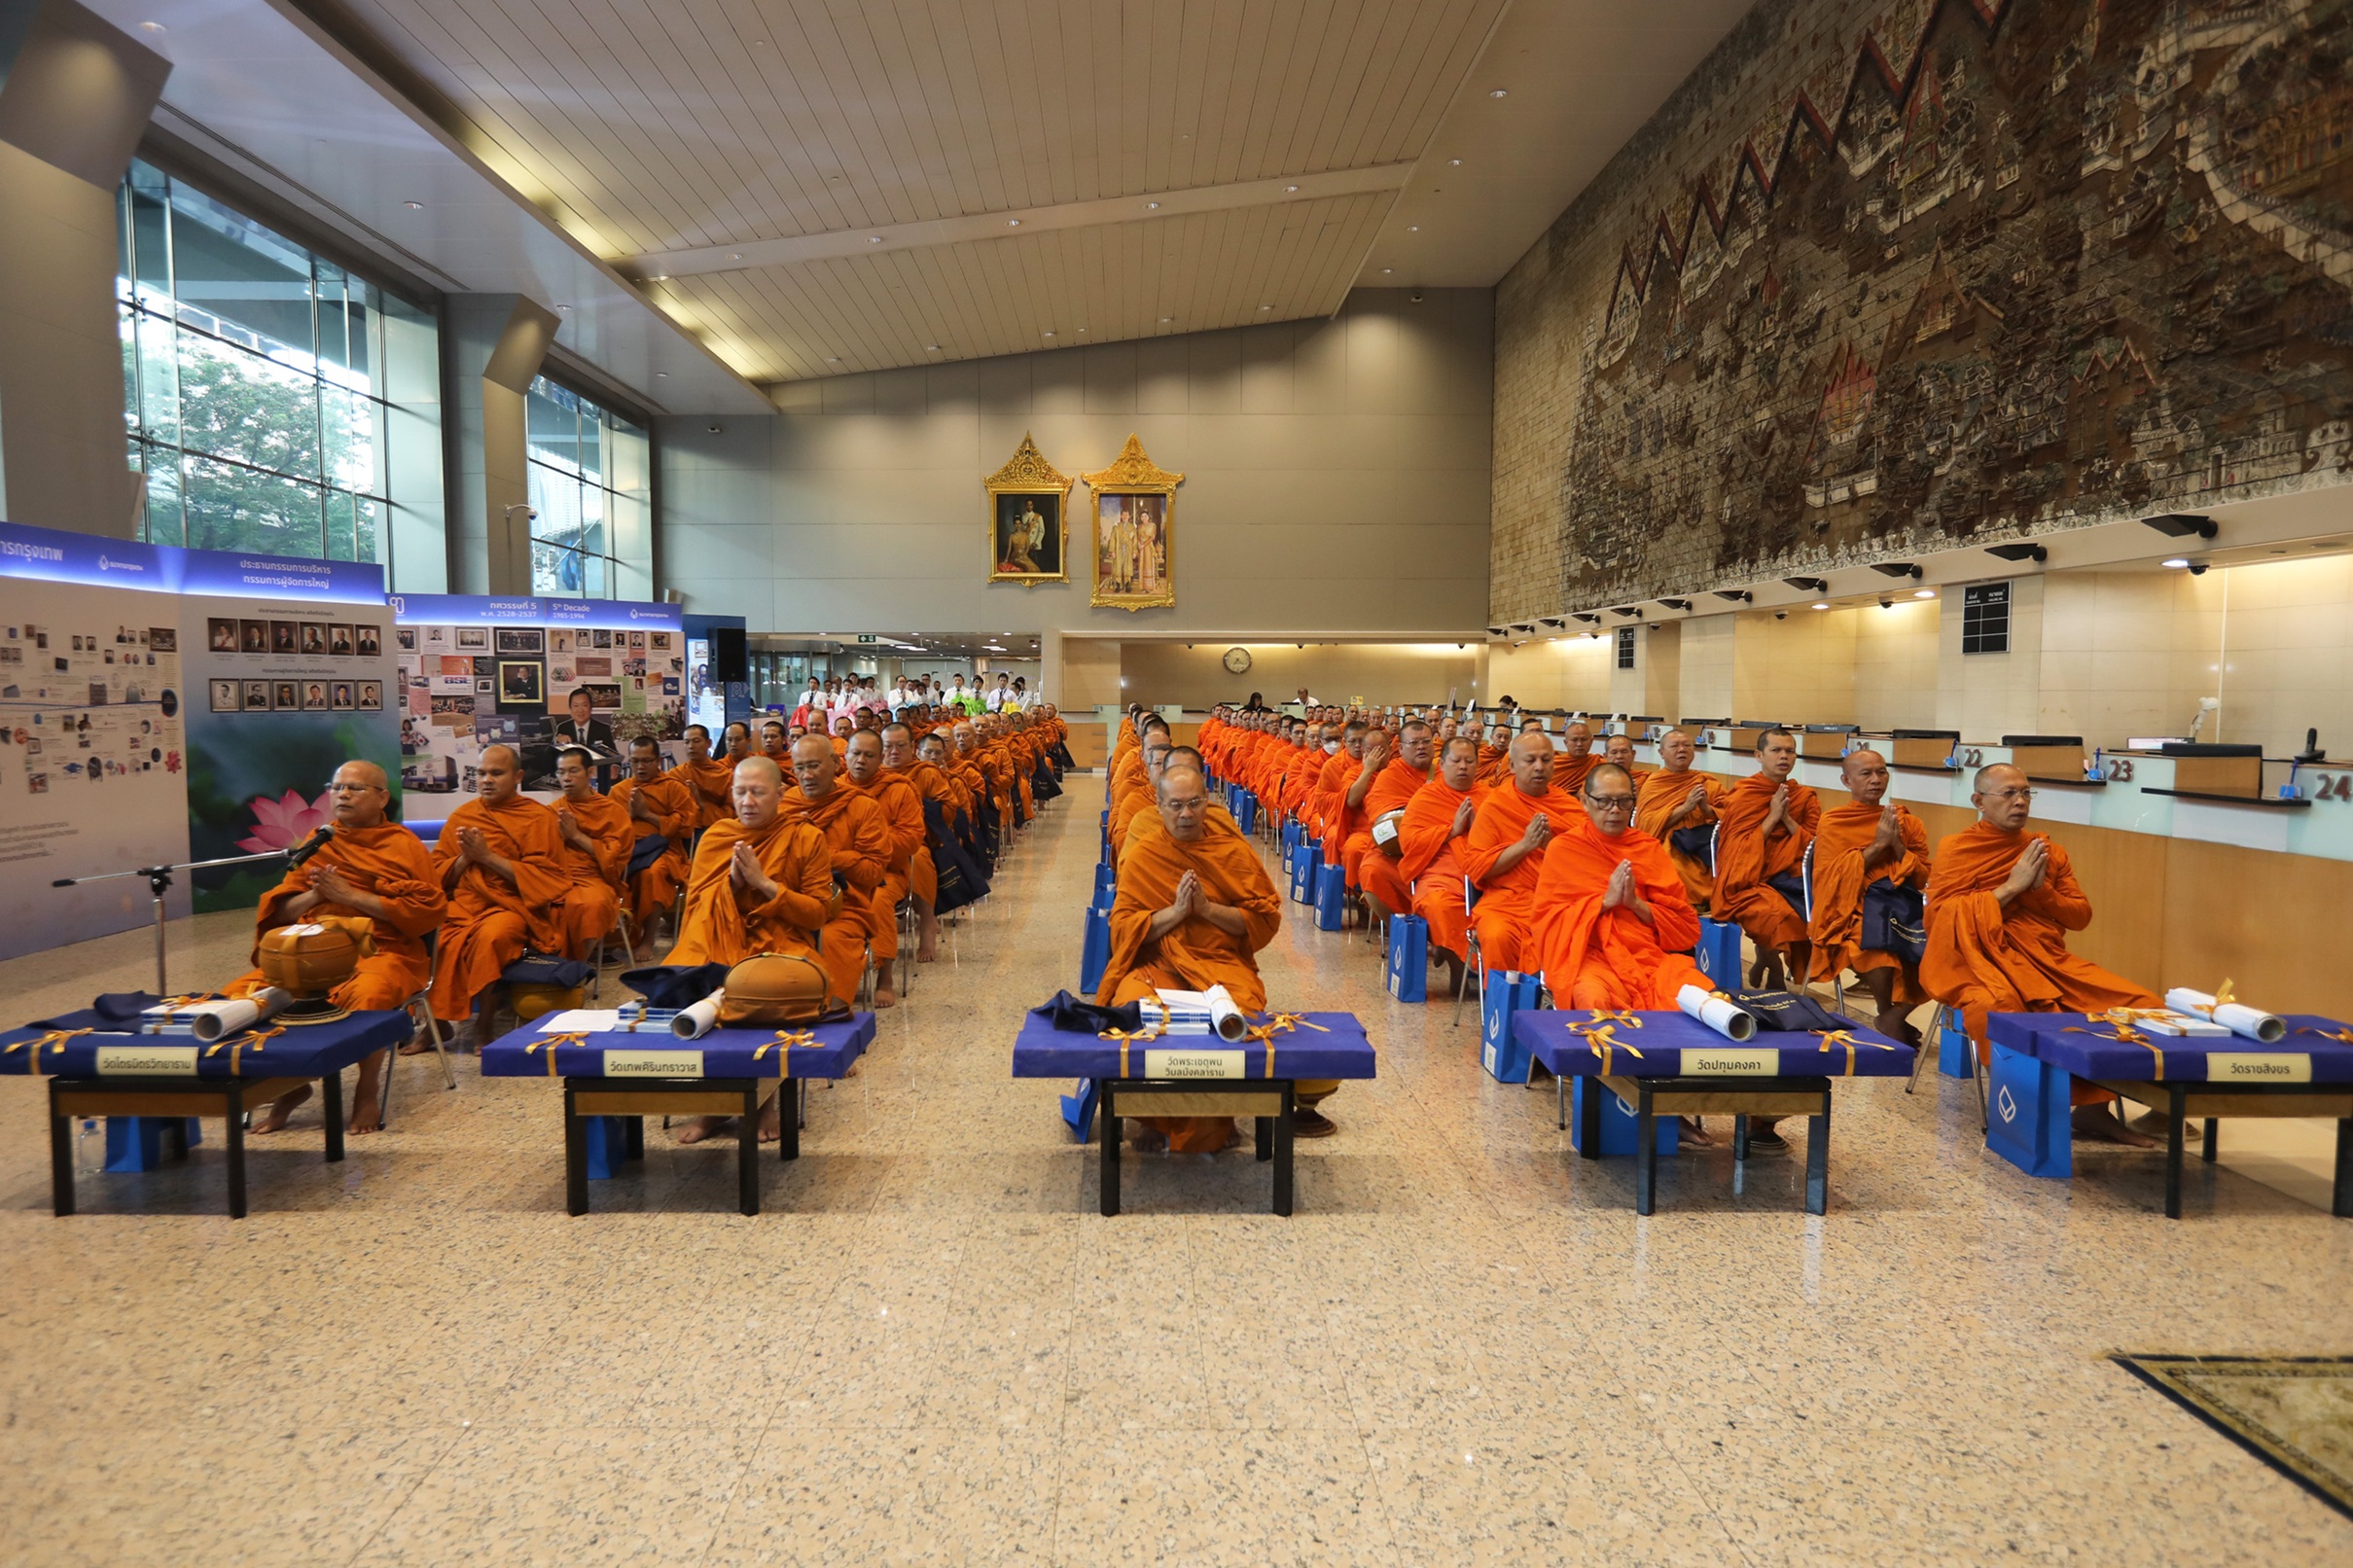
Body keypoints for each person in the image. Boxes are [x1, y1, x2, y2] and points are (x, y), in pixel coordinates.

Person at [1097, 764, 1337, 1148]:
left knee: (1240, 1016)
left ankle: (1221, 1113)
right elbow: (1122, 929)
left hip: (1221, 964)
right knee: (1135, 1010)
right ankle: (1153, 1117)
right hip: (1159, 966)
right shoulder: (1144, 855)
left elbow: (1263, 919)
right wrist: (1177, 912)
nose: (1186, 813)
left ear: (1208, 801)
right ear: (1159, 806)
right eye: (1176, 805)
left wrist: (1207, 910)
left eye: (1194, 803)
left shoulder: (1230, 852)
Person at [1923, 764, 2159, 1146]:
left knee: (2139, 1002)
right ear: (1979, 801)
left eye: (2026, 792)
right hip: (1973, 959)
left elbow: (2080, 917)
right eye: (2009, 794)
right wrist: (2010, 888)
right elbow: (1940, 919)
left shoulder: (2046, 851)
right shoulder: (1957, 848)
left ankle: (2094, 1111)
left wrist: (2039, 890)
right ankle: (2021, 1110)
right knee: (1996, 1007)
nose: (2020, 801)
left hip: (2044, 960)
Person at [228, 762, 446, 1135]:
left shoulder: (404, 845)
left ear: (382, 798)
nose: (342, 794)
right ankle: (289, 1084)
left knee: (370, 994)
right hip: (311, 949)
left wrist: (351, 897)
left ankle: (366, 1087)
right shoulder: (320, 840)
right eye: (337, 786)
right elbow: (282, 912)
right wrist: (316, 895)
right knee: (243, 997)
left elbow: (426, 912)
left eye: (355, 788)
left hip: (381, 950)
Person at [667, 754, 839, 1145]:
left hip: (781, 944)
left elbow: (817, 914)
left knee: (760, 991)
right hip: (716, 937)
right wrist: (730, 885)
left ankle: (764, 1100)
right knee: (687, 983)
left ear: (780, 794)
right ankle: (714, 1103)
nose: (747, 801)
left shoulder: (805, 836)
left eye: (758, 792)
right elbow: (695, 909)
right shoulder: (717, 836)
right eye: (740, 792)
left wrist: (765, 885)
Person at [1530, 761, 1712, 1009]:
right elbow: (1548, 922)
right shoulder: (1564, 849)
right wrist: (1604, 903)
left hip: (1646, 958)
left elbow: (1684, 927)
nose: (1615, 810)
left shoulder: (1647, 849)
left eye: (1624, 801)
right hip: (1588, 958)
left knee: (1702, 999)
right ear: (1584, 802)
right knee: (1593, 998)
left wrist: (1635, 904)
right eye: (1604, 801)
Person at [427, 745, 569, 1041]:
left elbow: (547, 878)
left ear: (518, 776)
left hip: (514, 906)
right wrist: (466, 858)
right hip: (465, 903)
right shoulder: (463, 815)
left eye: (496, 773)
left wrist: (487, 857)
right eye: (481, 773)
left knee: (491, 937)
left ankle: (485, 1021)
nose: (486, 780)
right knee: (432, 934)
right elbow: (436, 874)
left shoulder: (537, 817)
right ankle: (435, 1023)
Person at [1806, 749, 1931, 1045]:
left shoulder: (1907, 822)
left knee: (1948, 947)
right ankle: (1886, 1012)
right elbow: (1828, 879)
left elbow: (1923, 877)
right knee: (1873, 944)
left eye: (1881, 772)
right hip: (1853, 907)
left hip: (1902, 905)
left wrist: (1896, 845)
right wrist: (1877, 847)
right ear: (1847, 781)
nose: (1876, 779)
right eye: (1866, 774)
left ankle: (1893, 1017)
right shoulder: (1834, 821)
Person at [774, 732, 891, 1007]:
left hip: (843, 906)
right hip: (788, 902)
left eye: (814, 766)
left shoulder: (862, 806)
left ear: (836, 764)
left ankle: (831, 1015)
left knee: (832, 939)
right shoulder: (784, 805)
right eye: (800, 768)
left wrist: (821, 852)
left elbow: (873, 872)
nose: (807, 775)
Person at [1713, 728, 1820, 989]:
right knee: (1774, 915)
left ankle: (1765, 959)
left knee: (1802, 916)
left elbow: (1815, 846)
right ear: (1759, 755)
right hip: (1747, 877)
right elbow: (1736, 849)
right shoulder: (1744, 794)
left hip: (1791, 875)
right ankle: (1771, 962)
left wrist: (1787, 818)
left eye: (1790, 751)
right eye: (1776, 750)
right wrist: (1772, 817)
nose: (1784, 756)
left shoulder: (1804, 797)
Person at [1460, 731, 1572, 974]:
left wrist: (1552, 847)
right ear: (1511, 765)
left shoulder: (1569, 807)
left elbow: (1585, 865)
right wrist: (1525, 845)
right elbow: (1477, 866)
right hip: (1505, 900)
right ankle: (1505, 997)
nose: (1539, 767)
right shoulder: (1495, 806)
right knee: (1497, 935)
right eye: (1530, 760)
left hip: (1559, 900)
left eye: (1546, 759)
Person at [842, 729, 931, 1001]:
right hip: (840, 873)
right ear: (845, 755)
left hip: (887, 872)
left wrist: (867, 847)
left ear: (880, 758)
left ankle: (885, 977)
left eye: (869, 755)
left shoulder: (899, 789)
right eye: (856, 753)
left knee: (879, 899)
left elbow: (911, 839)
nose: (861, 760)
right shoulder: (834, 790)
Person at [1399, 733, 1486, 998]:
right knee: (1440, 905)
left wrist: (1479, 831)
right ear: (1442, 764)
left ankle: (1481, 970)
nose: (1463, 767)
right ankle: (1459, 970)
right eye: (1456, 761)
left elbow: (1507, 839)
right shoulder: (1427, 797)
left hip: (1486, 872)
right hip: (1441, 872)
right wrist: (1452, 830)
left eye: (1469, 761)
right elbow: (1408, 841)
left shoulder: (1491, 796)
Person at [612, 734, 697, 942]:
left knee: (652, 873)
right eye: (635, 761)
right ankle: (617, 940)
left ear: (658, 761)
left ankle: (648, 939)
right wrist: (630, 815)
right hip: (628, 851)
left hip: (665, 851)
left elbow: (686, 827)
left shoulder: (673, 788)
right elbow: (609, 828)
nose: (640, 767)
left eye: (647, 761)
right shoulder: (619, 791)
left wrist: (647, 814)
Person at [550, 745, 631, 962]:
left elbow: (613, 857)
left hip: (596, 878)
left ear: (590, 772)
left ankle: (575, 967)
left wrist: (576, 836)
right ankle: (549, 968)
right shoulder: (552, 811)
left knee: (590, 905)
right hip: (557, 877)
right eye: (561, 772)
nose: (566, 778)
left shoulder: (611, 811)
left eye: (573, 771)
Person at [1354, 719, 1436, 923]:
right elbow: (1380, 818)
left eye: (1426, 741)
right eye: (1414, 743)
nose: (1421, 747)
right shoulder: (1390, 776)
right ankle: (1403, 928)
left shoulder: (1446, 772)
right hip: (1400, 849)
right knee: (1372, 869)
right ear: (1400, 748)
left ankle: (1438, 929)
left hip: (1441, 847)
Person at [1635, 729, 1724, 912]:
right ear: (1661, 753)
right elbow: (1645, 824)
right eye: (1675, 746)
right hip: (1668, 841)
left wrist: (1707, 809)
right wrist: (1685, 808)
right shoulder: (1654, 783)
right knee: (1674, 867)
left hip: (1703, 842)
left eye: (1687, 745)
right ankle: (1683, 908)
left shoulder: (1705, 781)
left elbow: (1730, 813)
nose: (1682, 749)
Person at [671, 724, 734, 829]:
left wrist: (700, 802)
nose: (691, 746)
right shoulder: (676, 773)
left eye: (696, 741)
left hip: (715, 827)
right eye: (686, 742)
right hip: (682, 827)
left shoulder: (725, 775)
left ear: (708, 743)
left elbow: (731, 814)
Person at [553, 688, 614, 754]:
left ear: (591, 707)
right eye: (576, 706)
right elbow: (553, 754)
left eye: (584, 705)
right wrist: (557, 741)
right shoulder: (563, 728)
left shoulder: (603, 729)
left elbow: (614, 756)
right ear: (570, 709)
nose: (580, 710)